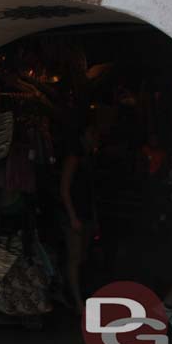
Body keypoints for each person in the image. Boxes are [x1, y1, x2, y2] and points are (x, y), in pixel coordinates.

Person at [60, 126, 98, 315]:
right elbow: (65, 189)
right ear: (83, 136)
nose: (95, 137)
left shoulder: (88, 159)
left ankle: (73, 293)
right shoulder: (74, 159)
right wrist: (72, 216)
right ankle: (77, 301)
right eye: (92, 133)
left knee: (82, 256)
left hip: (86, 214)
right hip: (75, 214)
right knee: (75, 257)